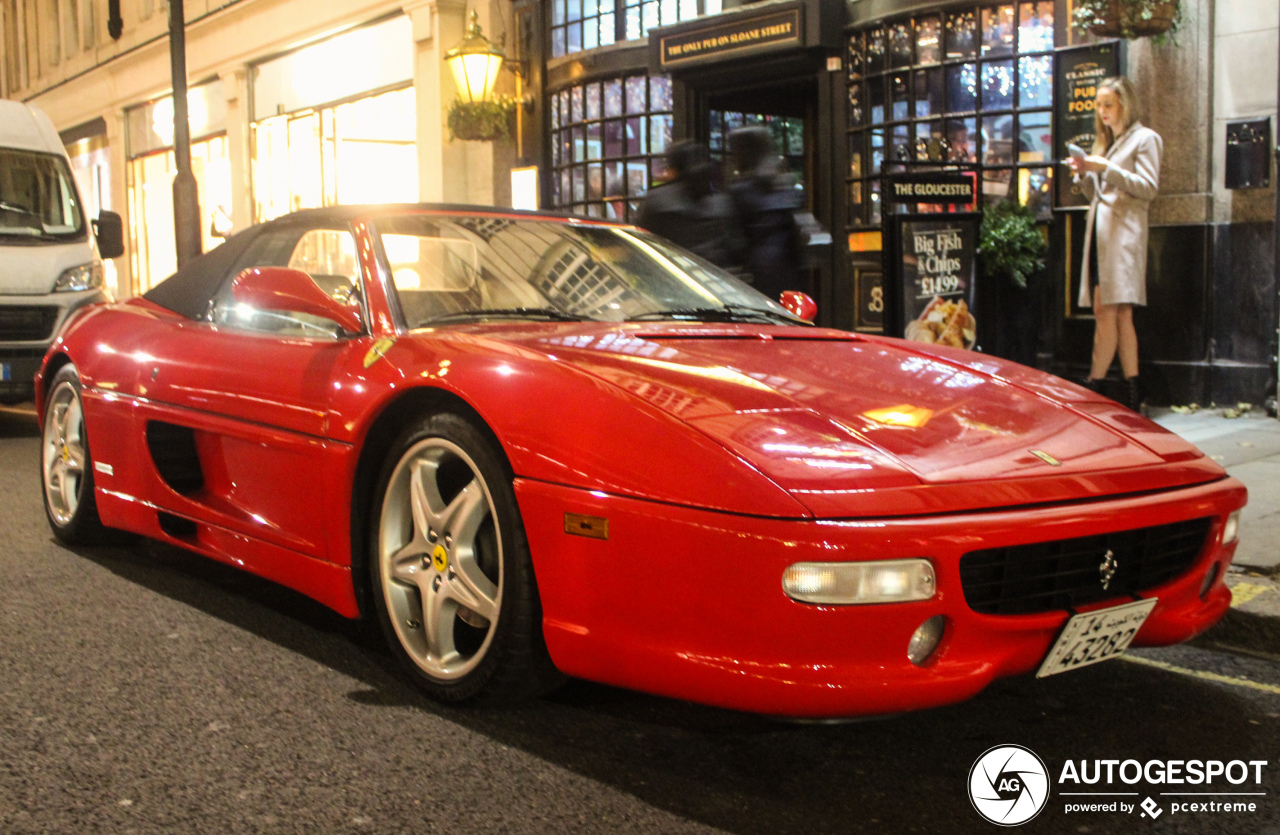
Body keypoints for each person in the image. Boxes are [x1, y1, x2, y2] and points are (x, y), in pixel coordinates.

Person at [1067, 76, 1162, 412]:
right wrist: (1083, 173)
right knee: (1119, 315)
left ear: (1125, 103)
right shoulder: (1107, 144)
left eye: (1108, 104)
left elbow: (1148, 187)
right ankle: (1134, 391)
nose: (1103, 112)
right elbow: (1097, 195)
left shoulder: (1145, 139)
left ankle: (1094, 386)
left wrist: (1105, 167)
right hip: (1103, 236)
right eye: (1098, 106)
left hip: (1123, 237)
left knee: (1108, 311)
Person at [725, 126, 806, 300]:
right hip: (787, 268)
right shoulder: (785, 184)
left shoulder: (740, 190)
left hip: (755, 273)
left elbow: (735, 240)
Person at [634, 140, 742, 269]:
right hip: (718, 277)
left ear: (673, 169)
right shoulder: (722, 201)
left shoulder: (656, 201)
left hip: (674, 274)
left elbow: (641, 242)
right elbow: (737, 245)